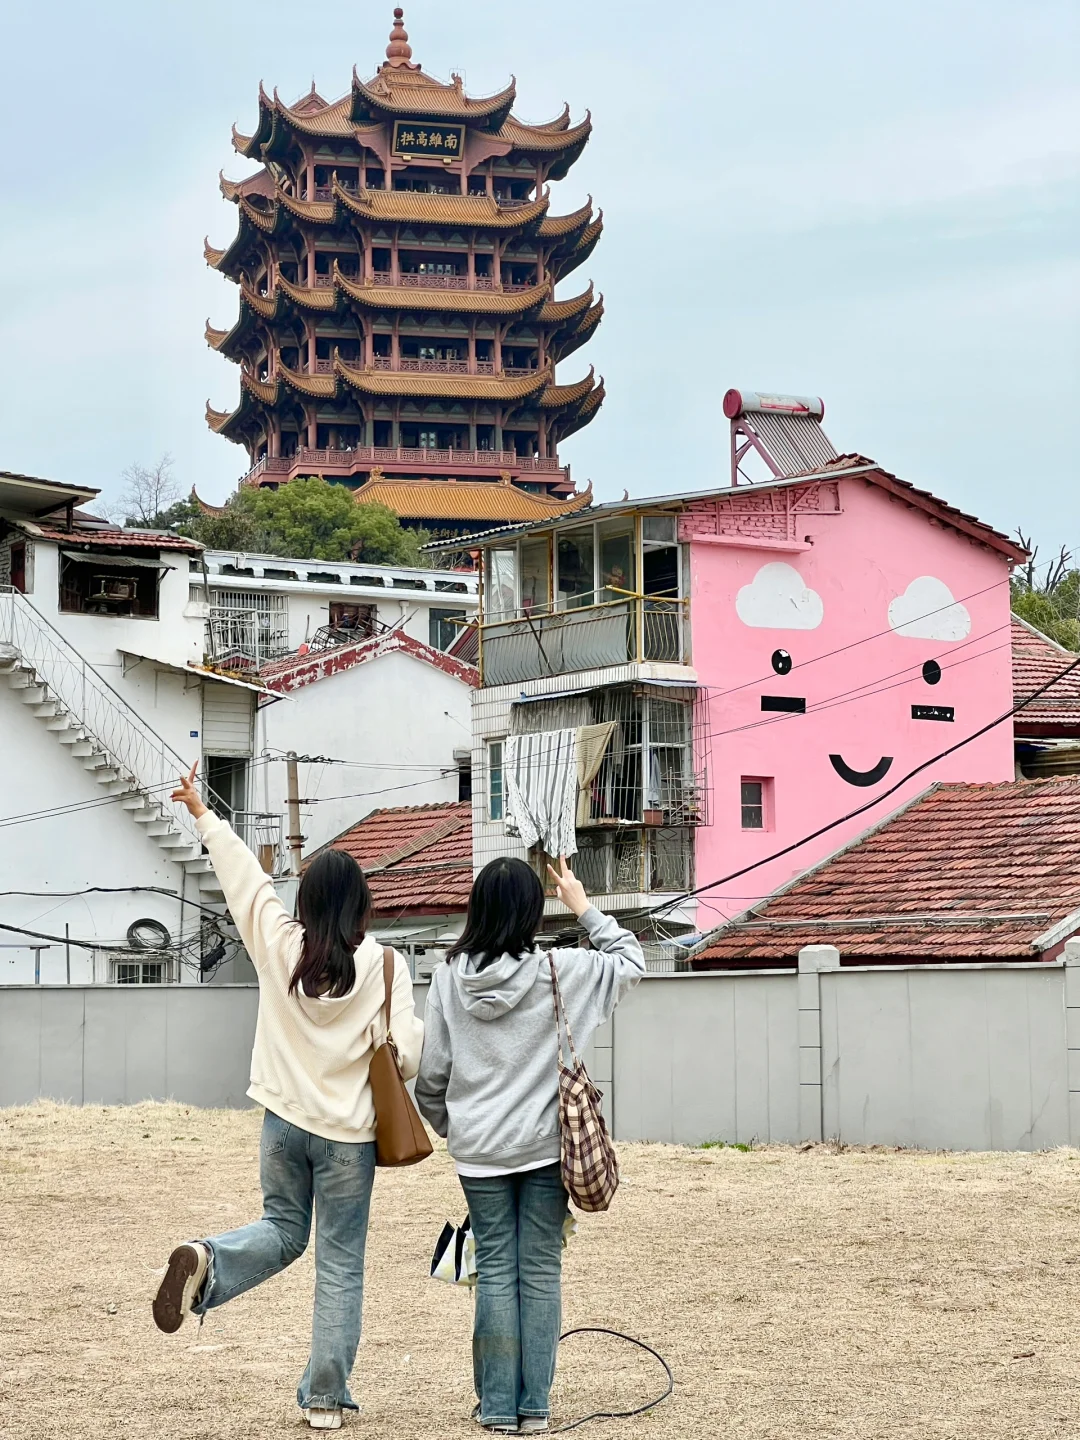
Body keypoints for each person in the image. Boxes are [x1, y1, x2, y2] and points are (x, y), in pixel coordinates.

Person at [153, 763, 423, 1432]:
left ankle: (211, 1259)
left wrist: (203, 813)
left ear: (304, 899)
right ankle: (326, 1401)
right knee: (339, 1267)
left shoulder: (279, 946)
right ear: (361, 904)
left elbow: (245, 882)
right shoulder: (387, 967)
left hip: (281, 1125)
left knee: (282, 1231)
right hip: (347, 1142)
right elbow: (409, 1059)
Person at [415, 855, 645, 1435]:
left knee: (494, 1269)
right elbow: (631, 960)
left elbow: (432, 1074)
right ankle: (535, 1409)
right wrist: (582, 904)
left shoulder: (446, 977)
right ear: (529, 912)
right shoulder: (556, 970)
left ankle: (496, 1409)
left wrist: (452, 1127)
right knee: (539, 1270)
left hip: (478, 1151)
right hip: (546, 1148)